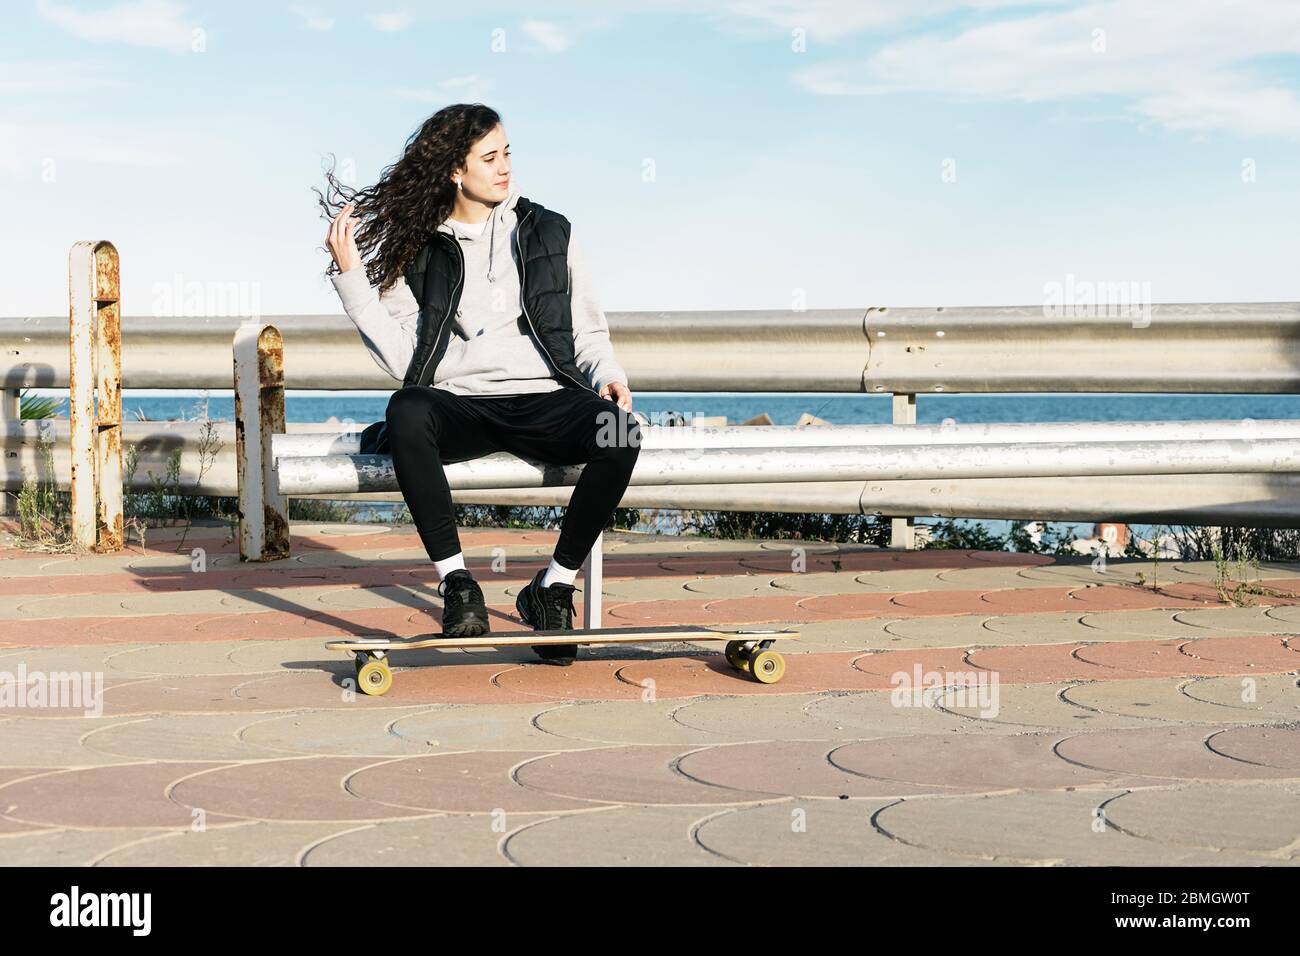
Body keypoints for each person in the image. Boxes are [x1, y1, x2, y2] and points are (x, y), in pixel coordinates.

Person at [317, 103, 641, 665]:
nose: (505, 167)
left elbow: (587, 328)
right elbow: (402, 359)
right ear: (454, 170)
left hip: (545, 398)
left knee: (621, 433)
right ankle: (458, 585)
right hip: (460, 407)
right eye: (489, 157)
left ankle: (553, 587)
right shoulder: (413, 246)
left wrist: (607, 375)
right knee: (407, 409)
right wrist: (352, 281)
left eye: (507, 152)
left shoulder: (549, 231)